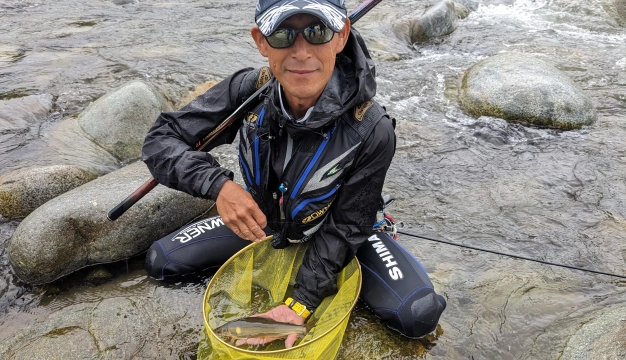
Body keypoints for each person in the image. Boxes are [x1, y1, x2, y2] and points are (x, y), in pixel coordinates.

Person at [142, 0, 445, 348]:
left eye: (317, 32)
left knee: (418, 313)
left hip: (344, 235)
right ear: (261, 41)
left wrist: (299, 303)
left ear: (341, 35)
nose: (302, 52)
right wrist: (220, 187)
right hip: (267, 225)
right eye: (284, 34)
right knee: (161, 261)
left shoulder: (372, 128)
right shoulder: (248, 90)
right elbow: (160, 140)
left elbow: (347, 228)